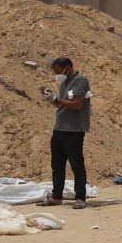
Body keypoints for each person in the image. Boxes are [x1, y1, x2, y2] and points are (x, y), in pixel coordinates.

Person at [40, 56, 92, 209]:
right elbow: (64, 105)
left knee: (76, 165)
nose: (57, 75)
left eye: (58, 71)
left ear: (67, 68)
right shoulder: (64, 82)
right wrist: (52, 99)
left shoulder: (80, 81)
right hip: (60, 128)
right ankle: (56, 197)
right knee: (57, 165)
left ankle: (80, 197)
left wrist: (57, 98)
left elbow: (77, 104)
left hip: (74, 130)